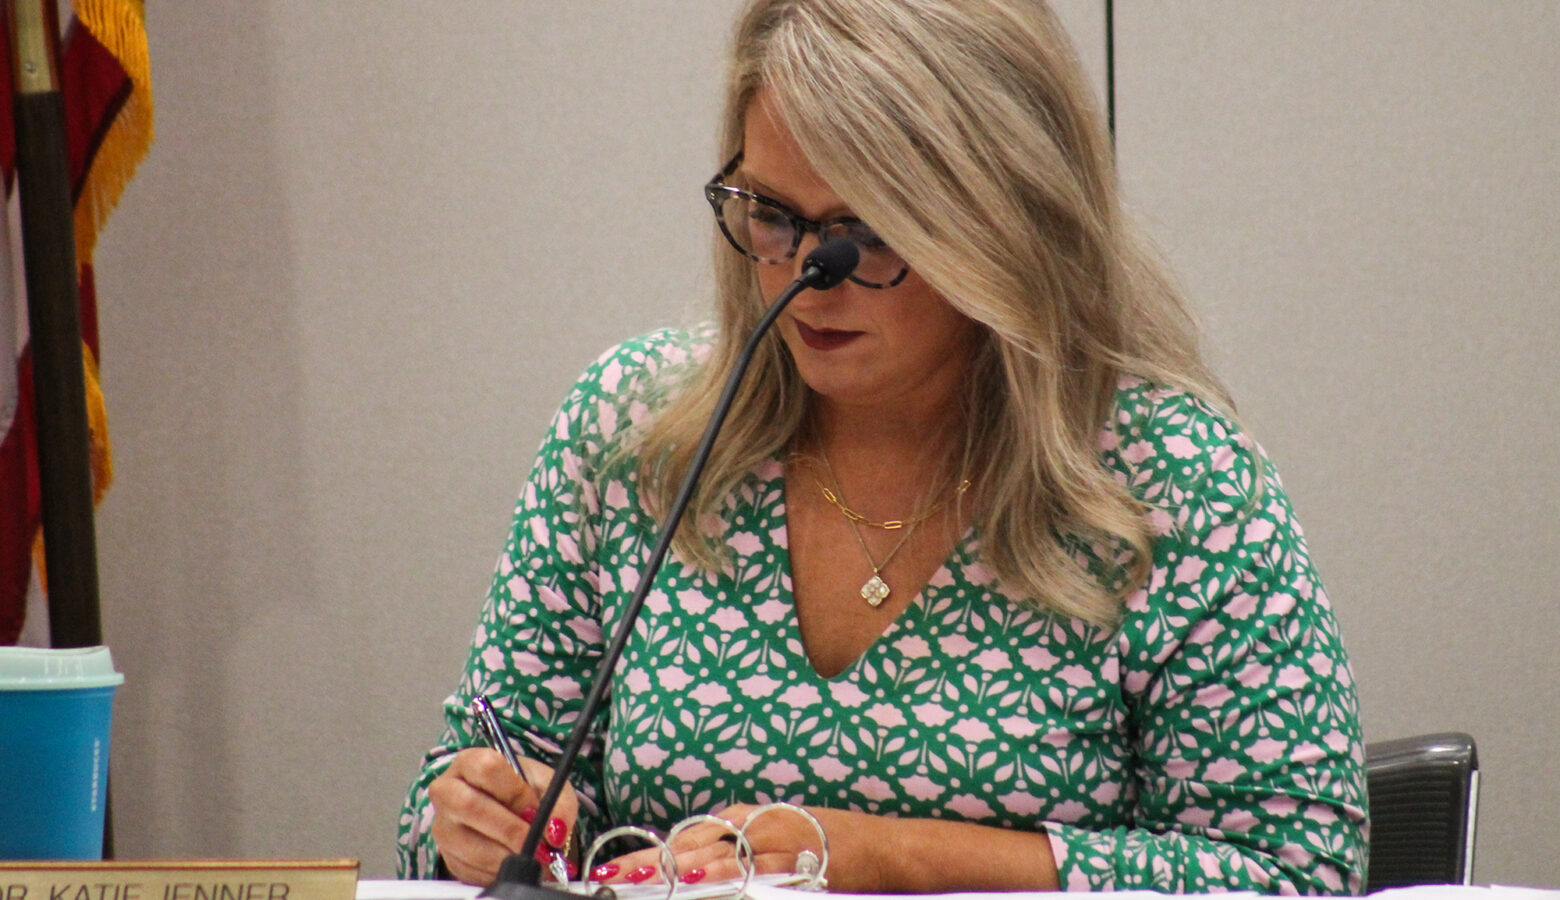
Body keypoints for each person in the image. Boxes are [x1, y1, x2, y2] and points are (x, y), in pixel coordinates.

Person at [397, 0, 1368, 893]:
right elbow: (449, 809)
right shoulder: (633, 434)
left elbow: (1296, 876)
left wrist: (879, 854)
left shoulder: (1170, 479)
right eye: (772, 215)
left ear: (1001, 219)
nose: (808, 279)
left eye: (863, 233)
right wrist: (483, 817)